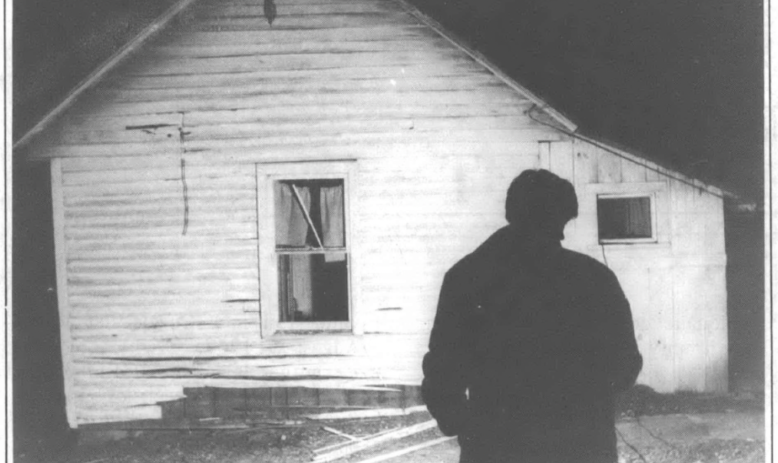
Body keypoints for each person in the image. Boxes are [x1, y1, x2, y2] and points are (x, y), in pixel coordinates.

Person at [422, 169, 643, 463]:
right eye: (562, 221)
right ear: (557, 220)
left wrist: (468, 428)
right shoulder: (595, 279)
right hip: (580, 445)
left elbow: (442, 374)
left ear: (511, 213)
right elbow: (626, 366)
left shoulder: (466, 278)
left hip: (496, 447)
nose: (562, 232)